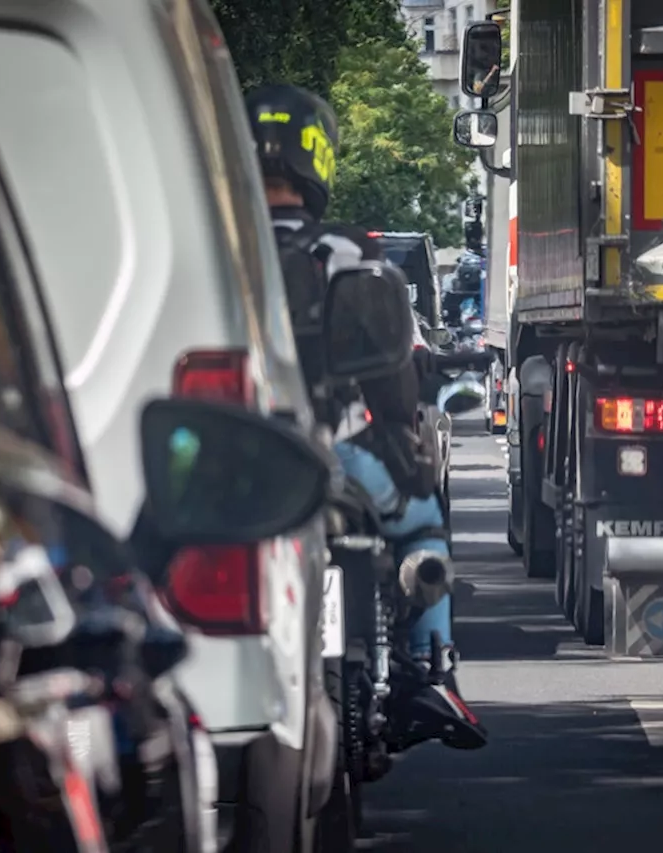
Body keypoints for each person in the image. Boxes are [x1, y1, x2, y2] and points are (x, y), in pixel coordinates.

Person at [245, 83, 486, 750]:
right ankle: (433, 673)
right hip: (342, 451)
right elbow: (391, 371)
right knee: (422, 526)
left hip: (242, 453)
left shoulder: (217, 251)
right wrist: (403, 442)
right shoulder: (350, 252)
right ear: (316, 158)